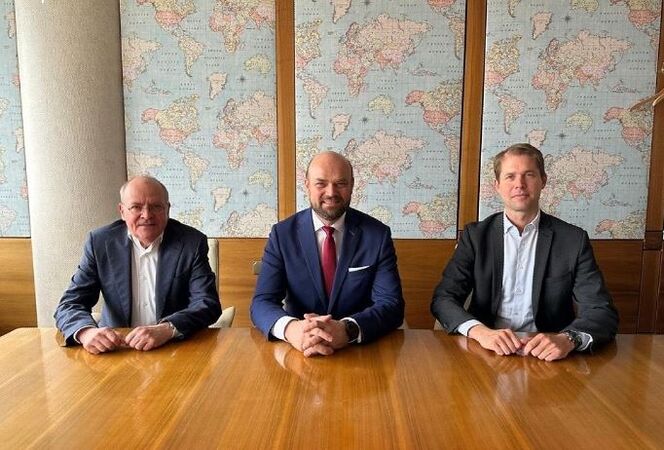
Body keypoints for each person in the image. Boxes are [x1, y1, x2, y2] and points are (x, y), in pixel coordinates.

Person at [431, 143, 618, 361]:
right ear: (497, 186)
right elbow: (443, 299)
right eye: (510, 176)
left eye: (529, 175)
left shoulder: (572, 240)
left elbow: (601, 310)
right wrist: (481, 333)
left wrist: (569, 339)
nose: (519, 184)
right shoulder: (475, 237)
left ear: (543, 181)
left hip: (548, 355)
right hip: (485, 352)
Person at [251, 151, 405, 357]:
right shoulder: (282, 234)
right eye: (321, 184)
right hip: (298, 350)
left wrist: (347, 329)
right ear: (307, 185)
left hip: (360, 352)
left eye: (340, 183)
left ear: (352, 185)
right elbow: (262, 302)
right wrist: (292, 330)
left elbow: (391, 304)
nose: (331, 192)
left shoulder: (377, 235)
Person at [54, 175, 221, 354]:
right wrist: (86, 332)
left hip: (173, 347)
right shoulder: (100, 243)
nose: (147, 215)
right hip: (116, 349)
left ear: (167, 209)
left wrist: (167, 329)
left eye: (156, 206)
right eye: (136, 207)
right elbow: (69, 304)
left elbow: (207, 303)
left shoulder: (191, 243)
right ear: (122, 211)